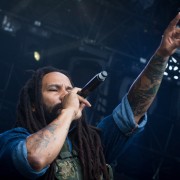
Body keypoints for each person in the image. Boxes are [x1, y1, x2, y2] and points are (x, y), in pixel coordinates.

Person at [0, 13, 180, 180]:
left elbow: (134, 109)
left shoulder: (93, 143)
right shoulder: (12, 140)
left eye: (69, 89)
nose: (68, 94)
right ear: (33, 104)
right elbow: (35, 159)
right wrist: (69, 110)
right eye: (55, 89)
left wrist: (161, 55)